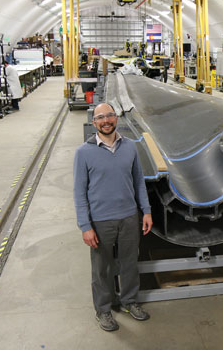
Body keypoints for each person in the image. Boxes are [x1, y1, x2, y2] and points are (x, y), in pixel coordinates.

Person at [73, 102, 153, 332]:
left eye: (110, 115)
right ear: (94, 122)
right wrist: (85, 226)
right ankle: (104, 309)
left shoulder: (129, 147)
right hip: (100, 221)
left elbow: (139, 182)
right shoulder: (83, 153)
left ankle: (129, 302)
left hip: (129, 217)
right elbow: (79, 192)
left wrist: (145, 211)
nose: (106, 120)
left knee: (129, 263)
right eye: (100, 117)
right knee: (102, 268)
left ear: (116, 118)